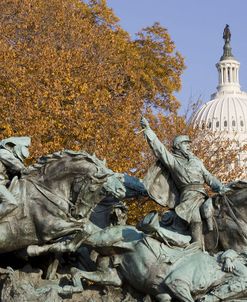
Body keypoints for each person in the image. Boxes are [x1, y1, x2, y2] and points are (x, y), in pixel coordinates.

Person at [140, 117, 229, 248]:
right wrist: (148, 130)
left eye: (189, 144)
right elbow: (160, 149)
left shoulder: (196, 161)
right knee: (195, 217)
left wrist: (220, 187)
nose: (189, 146)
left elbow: (209, 177)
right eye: (185, 144)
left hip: (203, 195)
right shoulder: (174, 162)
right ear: (178, 146)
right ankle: (196, 247)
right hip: (188, 198)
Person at [0, 136, 31, 218]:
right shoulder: (3, 153)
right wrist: (32, 170)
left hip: (2, 183)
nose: (17, 158)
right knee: (11, 202)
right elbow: (18, 166)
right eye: (17, 156)